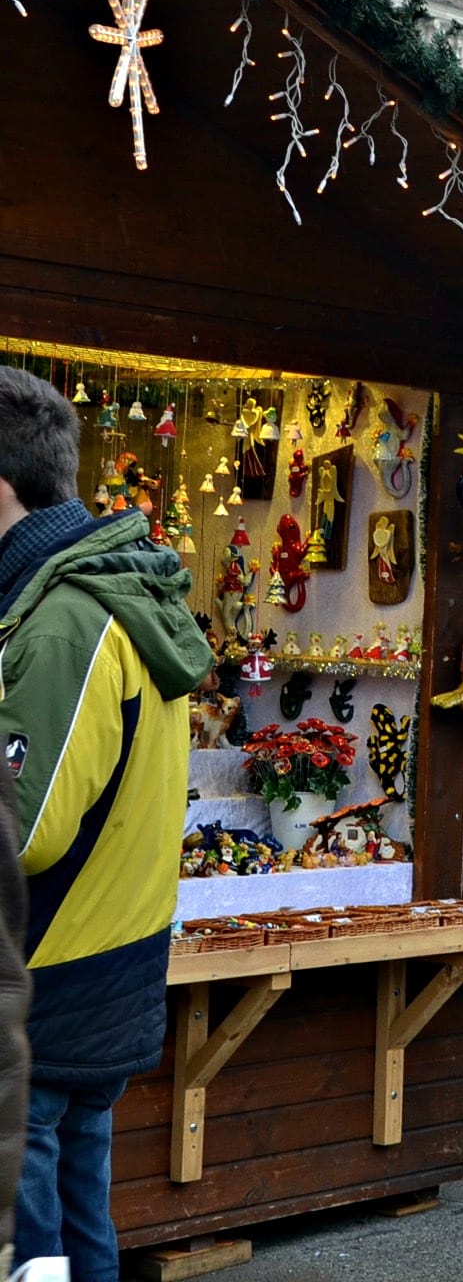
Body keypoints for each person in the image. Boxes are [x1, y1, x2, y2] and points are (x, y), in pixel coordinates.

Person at [0, 368, 208, 1277]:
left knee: (30, 1236)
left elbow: (27, 823)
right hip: (111, 955)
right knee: (83, 1223)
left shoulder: (62, 622)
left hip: (49, 967)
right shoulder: (112, 595)